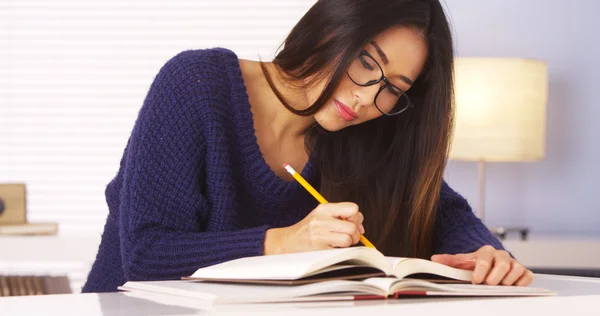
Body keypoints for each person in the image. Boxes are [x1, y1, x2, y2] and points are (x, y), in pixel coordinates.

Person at [82, 0, 533, 293]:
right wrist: (284, 241)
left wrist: (482, 253)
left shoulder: (363, 132)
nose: (366, 97)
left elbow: (442, 210)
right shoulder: (196, 84)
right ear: (331, 26)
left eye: (394, 88)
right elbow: (145, 255)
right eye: (365, 62)